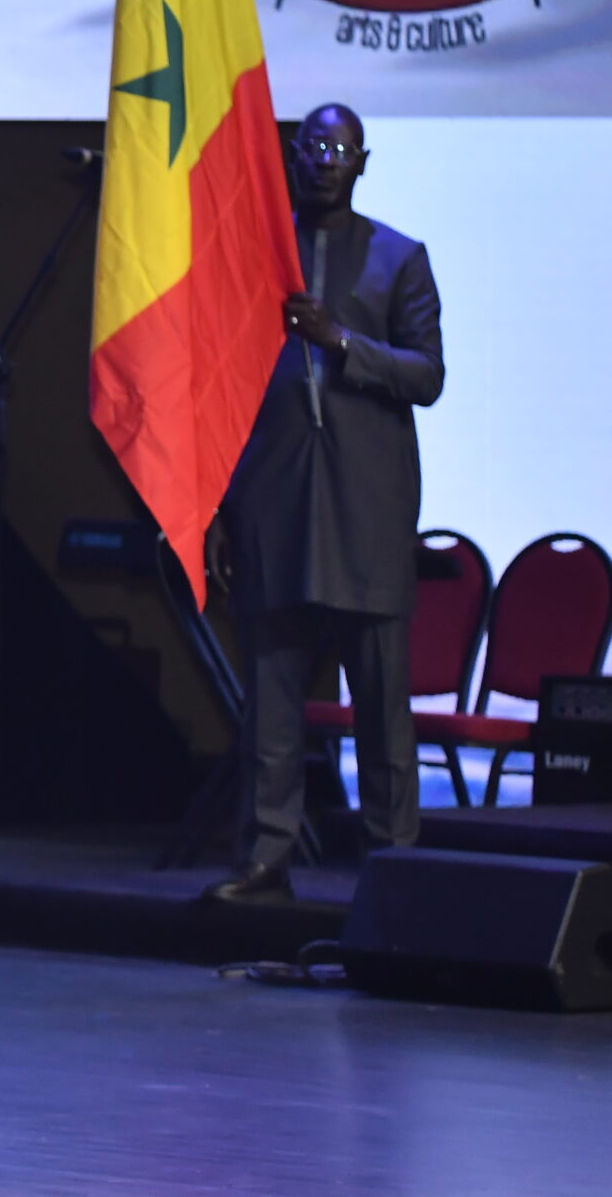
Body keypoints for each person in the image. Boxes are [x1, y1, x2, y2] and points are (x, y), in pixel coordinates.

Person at [206, 104, 444, 904]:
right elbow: (225, 390)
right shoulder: (255, 256)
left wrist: (340, 339)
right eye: (315, 146)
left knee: (382, 712)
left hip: (366, 514)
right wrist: (221, 509)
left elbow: (428, 375)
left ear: (363, 162)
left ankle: (394, 872)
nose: (327, 159)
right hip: (274, 507)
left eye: (342, 148)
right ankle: (265, 860)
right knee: (271, 707)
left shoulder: (399, 258)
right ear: (293, 155)